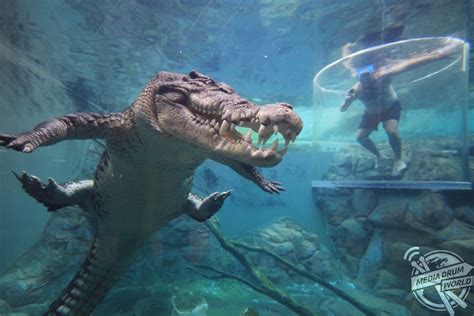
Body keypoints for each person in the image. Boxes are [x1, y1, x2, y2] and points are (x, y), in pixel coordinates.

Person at [339, 41, 458, 176]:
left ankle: (398, 159)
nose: (368, 77)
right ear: (358, 76)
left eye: (370, 73)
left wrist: (438, 55)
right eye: (362, 75)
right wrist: (347, 101)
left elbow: (410, 64)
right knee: (360, 138)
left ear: (373, 72)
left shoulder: (384, 76)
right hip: (371, 114)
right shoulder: (356, 90)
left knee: (391, 131)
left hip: (390, 107)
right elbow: (343, 109)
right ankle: (378, 156)